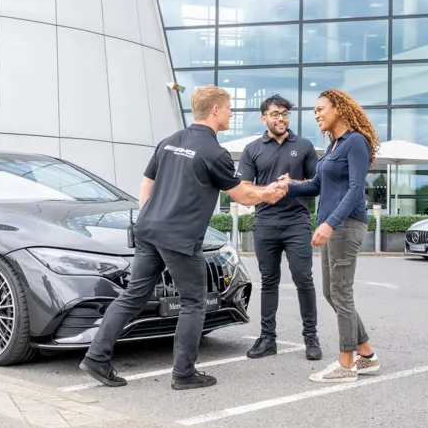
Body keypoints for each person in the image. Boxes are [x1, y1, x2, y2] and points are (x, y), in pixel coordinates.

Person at [79, 86, 288, 391]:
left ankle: (96, 357)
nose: (231, 113)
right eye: (229, 107)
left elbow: (146, 183)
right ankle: (184, 373)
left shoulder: (169, 142)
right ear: (215, 110)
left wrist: (151, 215)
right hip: (178, 238)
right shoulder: (214, 152)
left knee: (133, 296)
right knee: (194, 301)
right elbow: (242, 194)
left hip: (148, 229)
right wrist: (269, 193)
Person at [282, 88, 381, 383]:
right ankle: (366, 355)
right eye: (315, 111)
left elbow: (355, 190)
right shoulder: (334, 146)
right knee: (331, 292)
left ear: (338, 108)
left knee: (341, 293)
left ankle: (346, 364)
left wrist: (330, 224)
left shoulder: (356, 142)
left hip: (346, 225)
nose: (317, 115)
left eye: (320, 109)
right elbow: (316, 185)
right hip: (332, 225)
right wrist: (290, 185)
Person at [238, 94, 321, 361]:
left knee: (303, 279)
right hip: (264, 223)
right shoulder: (252, 149)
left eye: (284, 113)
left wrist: (292, 185)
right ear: (264, 118)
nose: (281, 118)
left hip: (297, 222)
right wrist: (269, 190)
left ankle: (311, 337)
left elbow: (317, 183)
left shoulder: (305, 146)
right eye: (275, 114)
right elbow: (245, 188)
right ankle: (267, 339)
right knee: (269, 282)